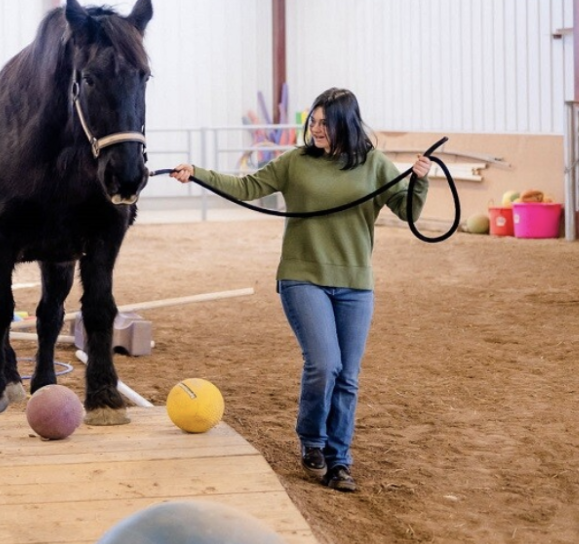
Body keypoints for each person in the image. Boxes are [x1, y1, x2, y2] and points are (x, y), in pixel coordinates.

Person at [168, 88, 430, 493]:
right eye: (314, 122)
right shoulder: (296, 162)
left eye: (326, 123)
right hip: (302, 277)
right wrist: (198, 173)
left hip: (356, 285)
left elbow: (408, 211)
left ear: (346, 123)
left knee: (348, 376)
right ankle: (312, 439)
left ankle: (339, 460)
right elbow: (247, 186)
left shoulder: (375, 164)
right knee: (324, 364)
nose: (317, 129)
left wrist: (419, 181)